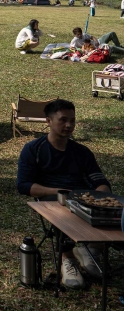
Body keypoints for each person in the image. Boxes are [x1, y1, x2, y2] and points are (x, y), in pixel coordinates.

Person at [17, 99, 110, 289]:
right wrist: (58, 192)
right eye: (63, 120)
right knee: (61, 207)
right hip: (51, 198)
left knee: (110, 208)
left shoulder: (82, 152)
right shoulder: (33, 149)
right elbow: (24, 185)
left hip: (84, 197)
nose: (69, 125)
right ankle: (67, 259)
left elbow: (101, 183)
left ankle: (91, 249)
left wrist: (101, 200)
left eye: (73, 121)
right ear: (48, 121)